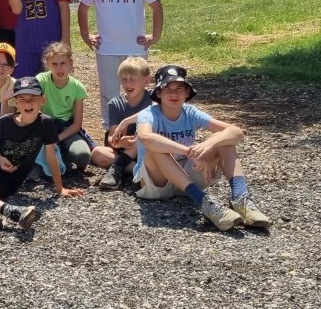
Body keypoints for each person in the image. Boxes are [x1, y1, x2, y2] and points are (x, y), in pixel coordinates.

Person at [131, 65, 271, 230]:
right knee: (155, 148)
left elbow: (236, 132)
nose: (174, 94)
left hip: (185, 180)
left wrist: (208, 144)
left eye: (179, 88)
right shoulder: (148, 114)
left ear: (187, 93)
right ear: (158, 93)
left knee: (224, 141)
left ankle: (241, 199)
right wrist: (188, 151)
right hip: (154, 185)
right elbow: (145, 137)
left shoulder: (190, 112)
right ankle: (204, 202)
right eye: (167, 89)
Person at [0, 77, 83, 200]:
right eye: (22, 99)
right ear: (16, 102)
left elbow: (51, 156)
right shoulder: (6, 121)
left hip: (6, 177)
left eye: (33, 99)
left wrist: (60, 188)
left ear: (43, 100)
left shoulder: (45, 124)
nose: (27, 104)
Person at [78, 0, 164, 104]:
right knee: (108, 94)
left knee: (137, 91)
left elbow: (156, 6)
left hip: (135, 47)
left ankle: (139, 119)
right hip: (106, 49)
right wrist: (86, 35)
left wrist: (155, 36)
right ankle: (109, 121)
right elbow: (83, 7)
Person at [34, 42, 108, 174]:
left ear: (70, 63)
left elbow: (77, 124)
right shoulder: (41, 80)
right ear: (47, 65)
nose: (59, 68)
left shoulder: (77, 87)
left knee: (82, 156)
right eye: (54, 64)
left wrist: (57, 139)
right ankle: (58, 157)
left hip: (67, 129)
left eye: (63, 63)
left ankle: (65, 153)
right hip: (45, 127)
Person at [95, 56, 151, 190]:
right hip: (125, 151)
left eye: (133, 79)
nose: (128, 84)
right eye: (124, 79)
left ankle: (118, 168)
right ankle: (139, 171)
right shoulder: (115, 103)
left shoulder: (154, 98)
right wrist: (120, 143)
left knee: (141, 136)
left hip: (148, 150)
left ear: (146, 81)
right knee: (98, 153)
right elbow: (112, 137)